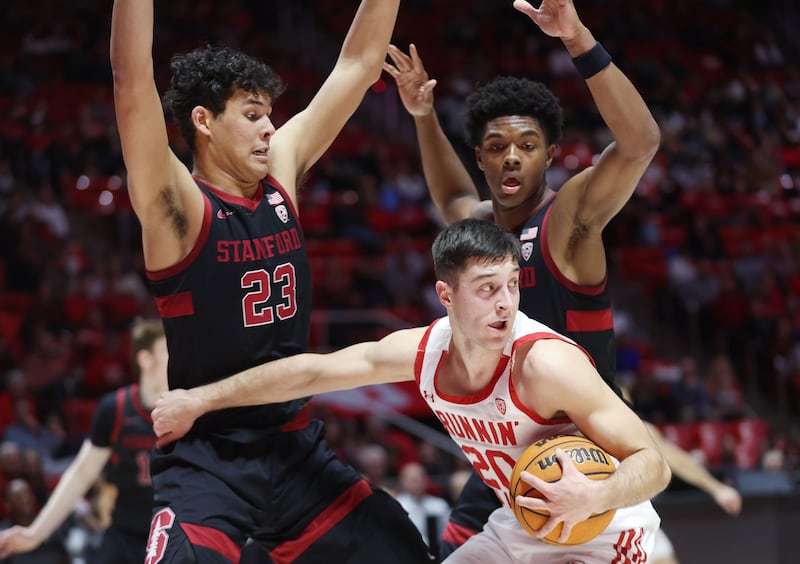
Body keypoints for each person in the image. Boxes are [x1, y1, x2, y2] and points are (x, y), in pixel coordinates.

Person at [109, 1, 434, 562]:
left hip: (294, 450)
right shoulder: (178, 206)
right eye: (253, 114)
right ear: (204, 121)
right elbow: (130, 76)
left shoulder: (280, 174)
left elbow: (357, 62)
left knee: (402, 550)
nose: (270, 128)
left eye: (269, 115)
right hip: (209, 457)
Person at [153, 219, 672, 562]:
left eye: (512, 284)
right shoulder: (422, 353)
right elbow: (311, 371)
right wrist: (202, 399)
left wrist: (597, 493)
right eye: (488, 288)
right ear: (445, 294)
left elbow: (654, 463)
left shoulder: (546, 364)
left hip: (603, 528)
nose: (505, 303)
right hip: (525, 527)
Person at [382, 0, 662, 556]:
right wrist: (422, 115)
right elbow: (451, 199)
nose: (512, 159)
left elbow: (640, 143)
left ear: (551, 154)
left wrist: (578, 38)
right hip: (507, 440)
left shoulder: (570, 220)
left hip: (581, 444)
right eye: (496, 148)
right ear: (481, 158)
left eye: (527, 147)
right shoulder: (482, 231)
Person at [0, 318, 168, 564]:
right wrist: (36, 533)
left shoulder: (190, 407)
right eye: (167, 350)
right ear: (145, 359)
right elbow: (81, 474)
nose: (178, 355)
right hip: (125, 536)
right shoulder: (116, 409)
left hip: (172, 534)